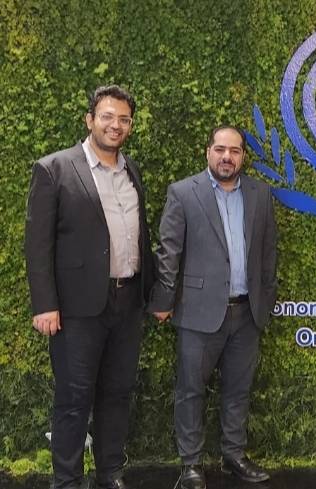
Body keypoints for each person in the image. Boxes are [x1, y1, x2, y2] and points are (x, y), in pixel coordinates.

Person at [24, 85, 155, 489]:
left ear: (130, 126)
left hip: (127, 302)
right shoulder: (54, 169)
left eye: (124, 119)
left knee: (117, 392)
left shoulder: (131, 170)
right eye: (108, 117)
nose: (116, 125)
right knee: (74, 398)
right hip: (76, 308)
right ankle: (66, 480)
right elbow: (38, 244)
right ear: (90, 120)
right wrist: (44, 304)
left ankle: (109, 473)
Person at [149, 125, 278, 489]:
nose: (227, 157)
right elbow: (169, 251)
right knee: (191, 390)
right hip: (198, 312)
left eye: (234, 151)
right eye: (220, 149)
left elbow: (269, 252)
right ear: (208, 151)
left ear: (243, 157)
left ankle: (234, 456)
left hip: (247, 313)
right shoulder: (183, 192)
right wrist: (164, 300)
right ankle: (191, 464)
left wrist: (265, 299)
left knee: (238, 389)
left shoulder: (260, 194)